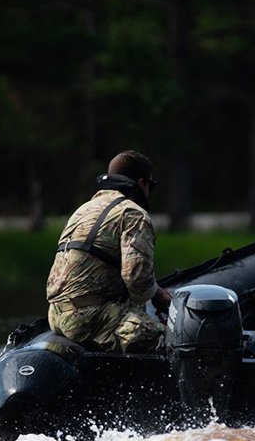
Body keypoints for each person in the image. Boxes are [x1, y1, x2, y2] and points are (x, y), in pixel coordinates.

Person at [46, 150, 173, 353]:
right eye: (152, 186)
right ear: (142, 183)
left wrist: (154, 292)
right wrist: (162, 299)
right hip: (90, 319)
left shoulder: (83, 209)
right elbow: (137, 280)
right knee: (171, 340)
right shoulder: (133, 213)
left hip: (56, 316)